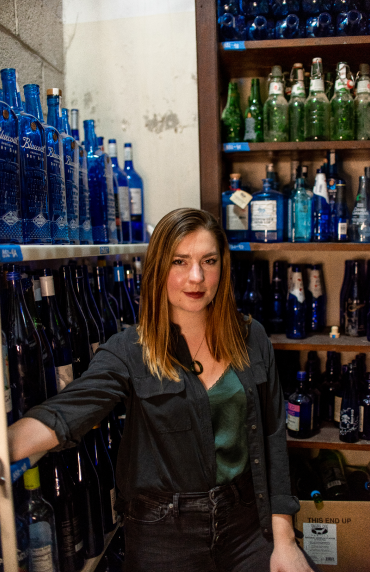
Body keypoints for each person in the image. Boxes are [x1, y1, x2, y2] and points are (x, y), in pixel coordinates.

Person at [8, 208, 320, 572]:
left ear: (223, 266)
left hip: (247, 524)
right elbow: (66, 414)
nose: (197, 276)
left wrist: (285, 542)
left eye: (209, 260)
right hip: (163, 537)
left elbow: (272, 439)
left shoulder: (252, 338)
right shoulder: (130, 350)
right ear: (158, 269)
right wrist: (6, 446)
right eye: (180, 261)